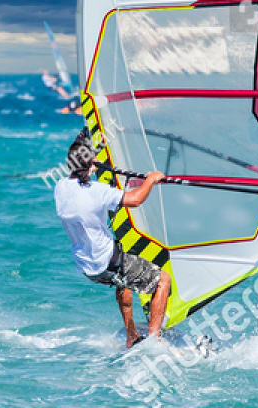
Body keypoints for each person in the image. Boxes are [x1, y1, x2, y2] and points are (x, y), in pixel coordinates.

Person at [54, 131, 171, 346]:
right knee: (163, 279)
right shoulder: (98, 191)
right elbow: (135, 200)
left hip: (87, 266)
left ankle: (131, 335)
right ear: (89, 165)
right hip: (108, 259)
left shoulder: (60, 188)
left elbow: (81, 175)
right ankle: (156, 340)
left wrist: (89, 159)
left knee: (123, 282)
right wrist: (151, 181)